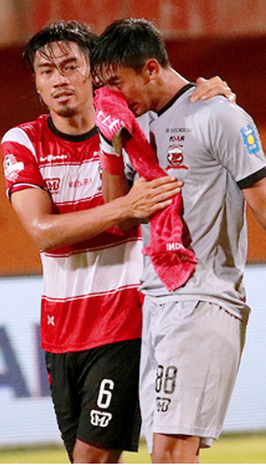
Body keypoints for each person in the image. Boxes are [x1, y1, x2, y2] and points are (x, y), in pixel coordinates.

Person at [0, 21, 233, 463]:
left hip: (125, 319)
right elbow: (41, 232)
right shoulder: (23, 140)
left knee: (98, 458)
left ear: (95, 72)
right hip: (60, 329)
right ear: (35, 82)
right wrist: (126, 207)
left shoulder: (138, 127)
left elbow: (191, 116)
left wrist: (218, 96)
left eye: (71, 66)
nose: (60, 80)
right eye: (46, 72)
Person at [90, 18, 266, 463]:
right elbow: (119, 214)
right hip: (158, 300)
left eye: (115, 82)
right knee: (167, 452)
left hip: (204, 298)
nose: (108, 96)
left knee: (170, 451)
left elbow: (262, 201)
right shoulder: (138, 125)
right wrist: (112, 144)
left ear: (150, 69)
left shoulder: (219, 114)